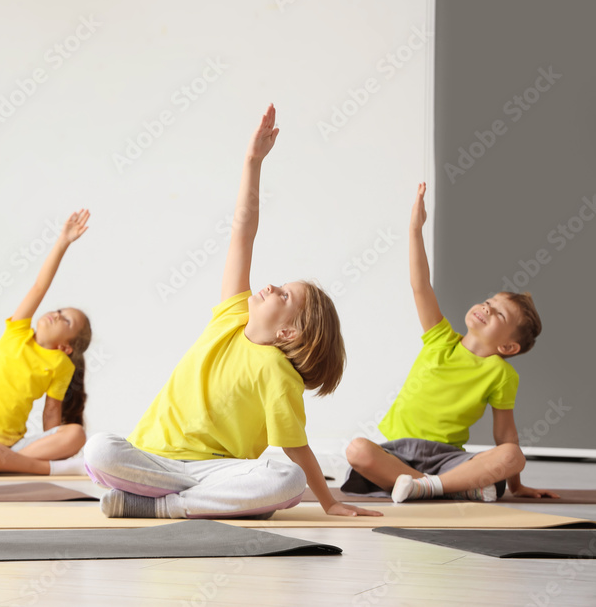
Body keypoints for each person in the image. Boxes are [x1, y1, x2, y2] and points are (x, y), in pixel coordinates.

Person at [84, 105, 380, 519]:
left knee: (287, 480)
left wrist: (330, 501)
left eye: (285, 297)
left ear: (288, 334)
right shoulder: (232, 315)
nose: (273, 286)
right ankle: (172, 501)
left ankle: (164, 507)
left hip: (217, 473)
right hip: (155, 460)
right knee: (99, 449)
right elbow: (243, 231)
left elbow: (296, 447)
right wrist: (252, 161)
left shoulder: (277, 372)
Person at [343, 182, 558, 503]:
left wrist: (517, 486)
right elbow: (420, 286)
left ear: (509, 348)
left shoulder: (502, 374)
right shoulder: (441, 339)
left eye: (499, 314)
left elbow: (505, 435)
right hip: (399, 451)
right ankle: (443, 486)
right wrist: (415, 230)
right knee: (357, 450)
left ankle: (425, 486)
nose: (487, 307)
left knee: (513, 455)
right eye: (489, 301)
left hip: (448, 458)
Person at [0, 210, 92, 477]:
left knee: (76, 434)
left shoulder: (61, 365)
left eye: (66, 322)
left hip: (16, 446)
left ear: (66, 347)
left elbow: (52, 413)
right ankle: (40, 469)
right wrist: (62, 241)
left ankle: (0, 464)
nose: (56, 314)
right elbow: (39, 287)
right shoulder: (18, 332)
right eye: (60, 310)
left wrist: (53, 443)